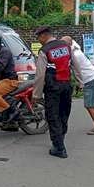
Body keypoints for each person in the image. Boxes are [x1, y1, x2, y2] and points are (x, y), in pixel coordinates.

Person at [33, 26, 72, 159]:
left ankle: (59, 148)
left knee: (53, 116)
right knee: (63, 114)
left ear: (44, 36)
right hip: (67, 85)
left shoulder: (44, 50)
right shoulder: (66, 46)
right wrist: (80, 82)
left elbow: (39, 75)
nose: (39, 41)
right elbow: (73, 64)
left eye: (38, 38)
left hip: (53, 87)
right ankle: (61, 139)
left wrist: (36, 95)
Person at [61, 36, 94, 135]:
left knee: (89, 105)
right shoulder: (75, 49)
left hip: (89, 79)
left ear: (67, 45)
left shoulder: (74, 55)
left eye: (62, 44)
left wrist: (80, 83)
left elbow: (77, 70)